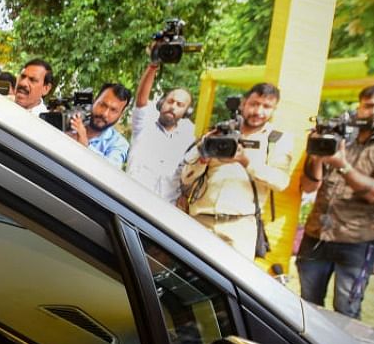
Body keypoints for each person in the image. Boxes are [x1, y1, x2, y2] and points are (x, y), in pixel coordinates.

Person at [297, 84, 374, 318]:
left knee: (346, 309)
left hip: (358, 240)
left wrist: (342, 165)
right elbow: (310, 185)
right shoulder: (339, 137)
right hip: (317, 234)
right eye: (368, 105)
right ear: (359, 107)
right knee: (306, 306)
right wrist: (318, 156)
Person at [180, 83, 294, 259]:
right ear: (243, 104)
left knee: (228, 285)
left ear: (273, 110)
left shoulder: (276, 140)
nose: (259, 111)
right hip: (200, 221)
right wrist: (202, 158)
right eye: (254, 104)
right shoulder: (219, 131)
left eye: (266, 107)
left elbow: (280, 182)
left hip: (240, 228)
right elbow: (186, 178)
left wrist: (245, 161)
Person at [125, 53, 197, 202]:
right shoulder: (144, 124)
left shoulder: (189, 137)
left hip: (165, 209)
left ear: (186, 112)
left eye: (180, 105)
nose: (173, 107)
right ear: (161, 103)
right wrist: (153, 66)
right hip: (132, 201)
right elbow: (141, 100)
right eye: (170, 101)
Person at [68, 82, 132, 167]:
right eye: (102, 105)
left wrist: (86, 145)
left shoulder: (119, 144)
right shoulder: (71, 120)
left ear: (121, 115)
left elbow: (111, 171)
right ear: (94, 101)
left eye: (113, 110)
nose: (105, 114)